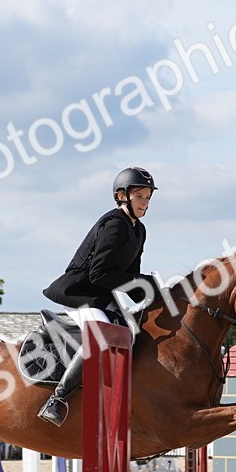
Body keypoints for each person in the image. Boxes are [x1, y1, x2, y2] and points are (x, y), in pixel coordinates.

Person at [37, 166, 158, 426]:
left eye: (148, 197)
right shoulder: (115, 224)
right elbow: (99, 274)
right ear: (121, 196)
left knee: (134, 331)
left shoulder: (139, 230)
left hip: (101, 293)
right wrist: (142, 282)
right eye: (140, 196)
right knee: (102, 333)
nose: (145, 203)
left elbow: (130, 275)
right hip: (80, 290)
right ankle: (56, 400)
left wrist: (151, 294)